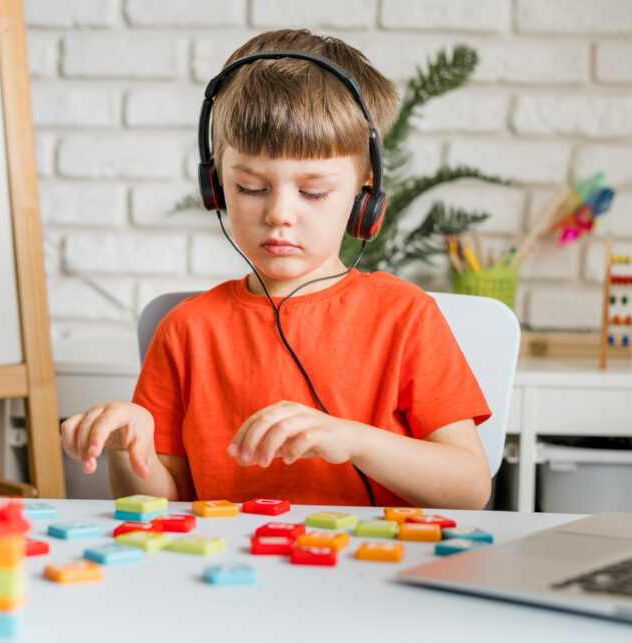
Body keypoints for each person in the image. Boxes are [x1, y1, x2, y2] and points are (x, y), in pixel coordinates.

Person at [60, 29, 492, 509]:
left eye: (312, 192)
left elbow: (470, 490)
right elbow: (168, 502)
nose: (279, 214)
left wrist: (354, 440)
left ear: (364, 194)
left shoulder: (405, 316)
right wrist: (128, 450)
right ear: (215, 187)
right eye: (249, 187)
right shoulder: (186, 331)